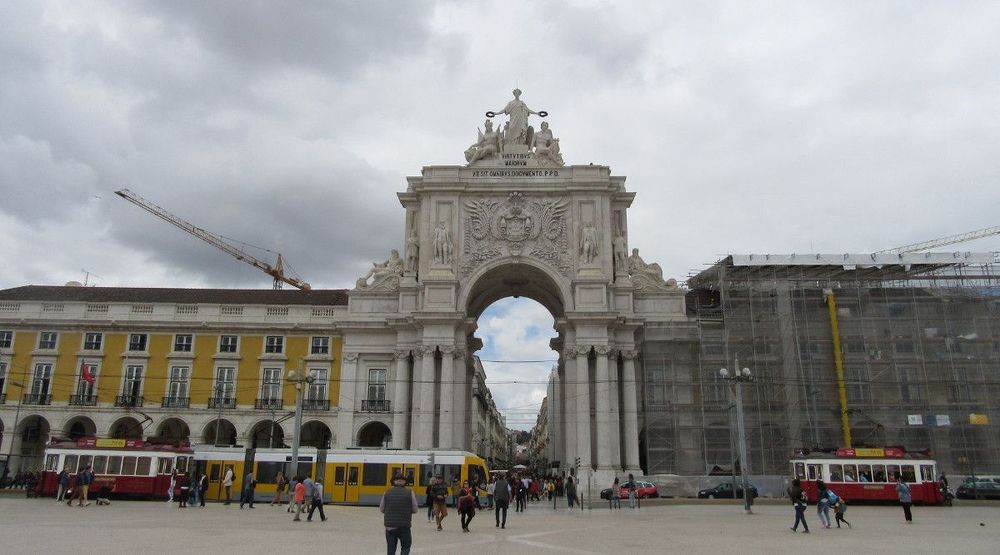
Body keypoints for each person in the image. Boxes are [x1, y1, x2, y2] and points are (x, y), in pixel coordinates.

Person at [381, 473, 419, 555]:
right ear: (405, 482)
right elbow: (415, 509)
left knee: (391, 549)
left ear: (394, 481)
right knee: (406, 546)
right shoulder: (410, 493)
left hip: (390, 526)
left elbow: (382, 509)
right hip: (404, 526)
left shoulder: (386, 493)